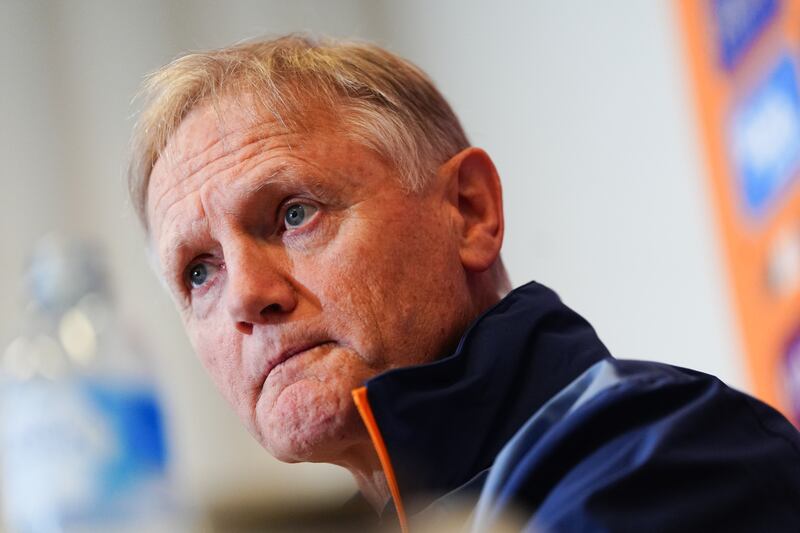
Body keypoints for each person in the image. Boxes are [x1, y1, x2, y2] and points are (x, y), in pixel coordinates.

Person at [128, 35, 800, 532]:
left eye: (295, 213)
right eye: (199, 271)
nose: (245, 295)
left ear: (470, 211)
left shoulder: (667, 452)